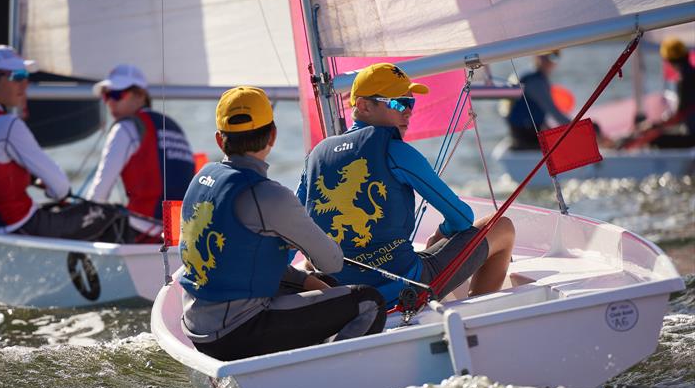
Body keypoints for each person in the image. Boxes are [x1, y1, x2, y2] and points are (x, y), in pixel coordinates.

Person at [180, 86, 386, 361]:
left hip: (195, 325)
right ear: (273, 136)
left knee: (323, 282)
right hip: (236, 333)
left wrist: (305, 279)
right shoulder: (270, 195)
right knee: (369, 301)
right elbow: (332, 261)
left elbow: (238, 259)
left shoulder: (202, 178)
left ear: (219, 140)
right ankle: (328, 374)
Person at [298, 63, 515, 306]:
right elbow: (463, 217)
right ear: (363, 106)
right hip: (403, 291)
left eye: (411, 104)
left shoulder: (316, 156)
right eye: (398, 103)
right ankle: (479, 316)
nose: (408, 112)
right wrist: (441, 233)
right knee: (502, 227)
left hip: (343, 296)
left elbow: (293, 228)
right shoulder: (396, 151)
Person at [0, 44, 130, 242]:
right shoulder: (6, 125)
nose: (25, 84)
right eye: (17, 76)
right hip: (22, 227)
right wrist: (51, 190)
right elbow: (61, 188)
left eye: (26, 76)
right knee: (110, 213)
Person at [87, 65, 195, 242]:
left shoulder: (125, 128)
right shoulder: (173, 126)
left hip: (143, 233)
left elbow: (98, 196)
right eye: (106, 95)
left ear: (140, 95)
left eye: (116, 95)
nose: (110, 102)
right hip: (181, 235)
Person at [632, 37, 695, 149]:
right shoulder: (691, 73)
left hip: (692, 139)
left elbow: (679, 115)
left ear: (668, 60)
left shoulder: (683, 79)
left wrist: (652, 126)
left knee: (653, 139)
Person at [505, 51, 571, 149]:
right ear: (536, 57)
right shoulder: (535, 82)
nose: (547, 60)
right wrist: (578, 128)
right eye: (543, 55)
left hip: (523, 131)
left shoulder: (530, 75)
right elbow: (553, 112)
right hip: (525, 136)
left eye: (554, 56)